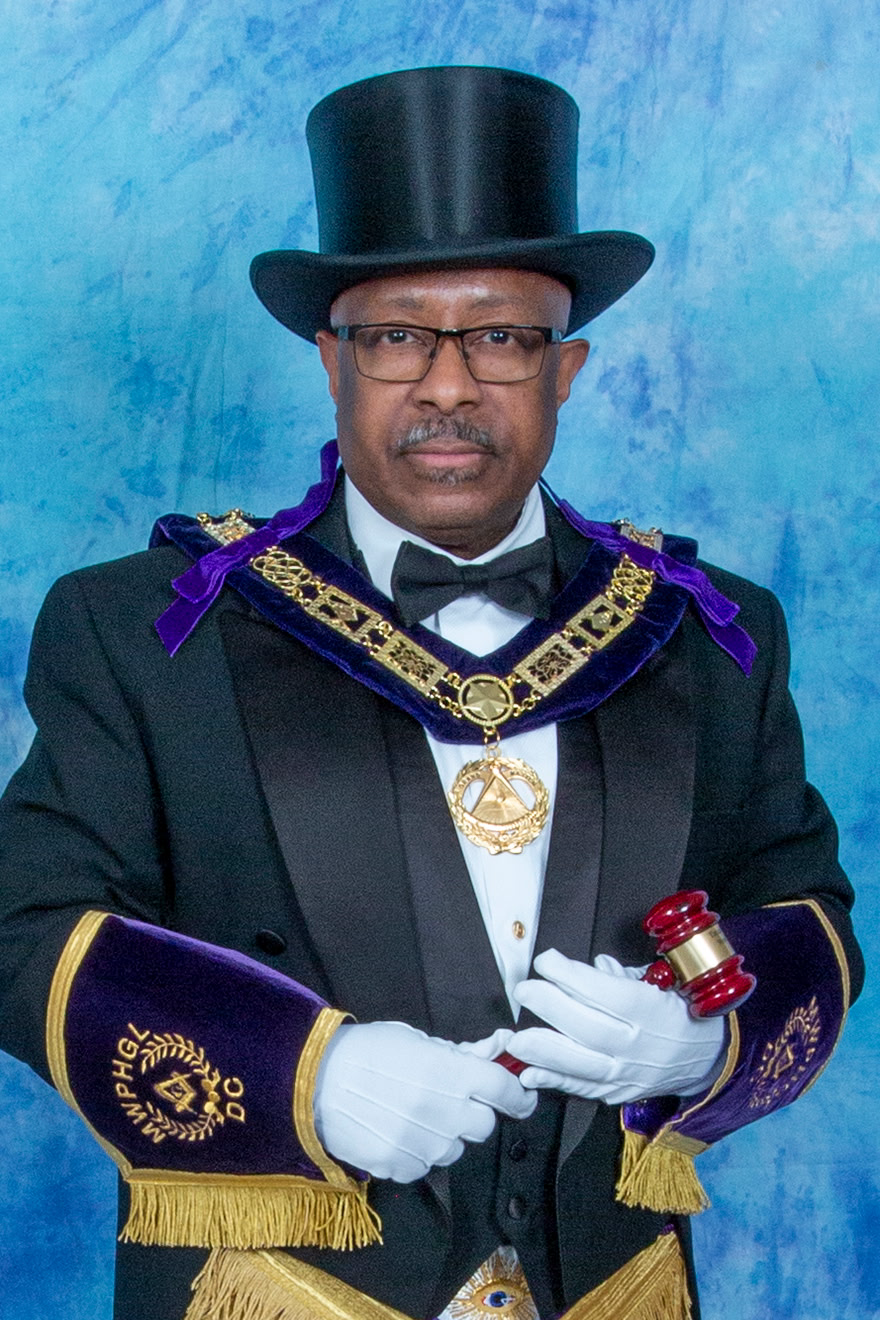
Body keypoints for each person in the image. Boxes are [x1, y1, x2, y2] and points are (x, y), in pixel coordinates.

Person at [0, 65, 862, 1320]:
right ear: (332, 362)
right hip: (275, 1288)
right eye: (397, 335)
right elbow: (22, 927)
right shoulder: (138, 631)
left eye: (501, 336)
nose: (449, 386)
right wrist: (305, 1076)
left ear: (566, 369)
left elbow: (804, 909)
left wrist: (705, 1044)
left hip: (612, 1285)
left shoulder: (711, 632)